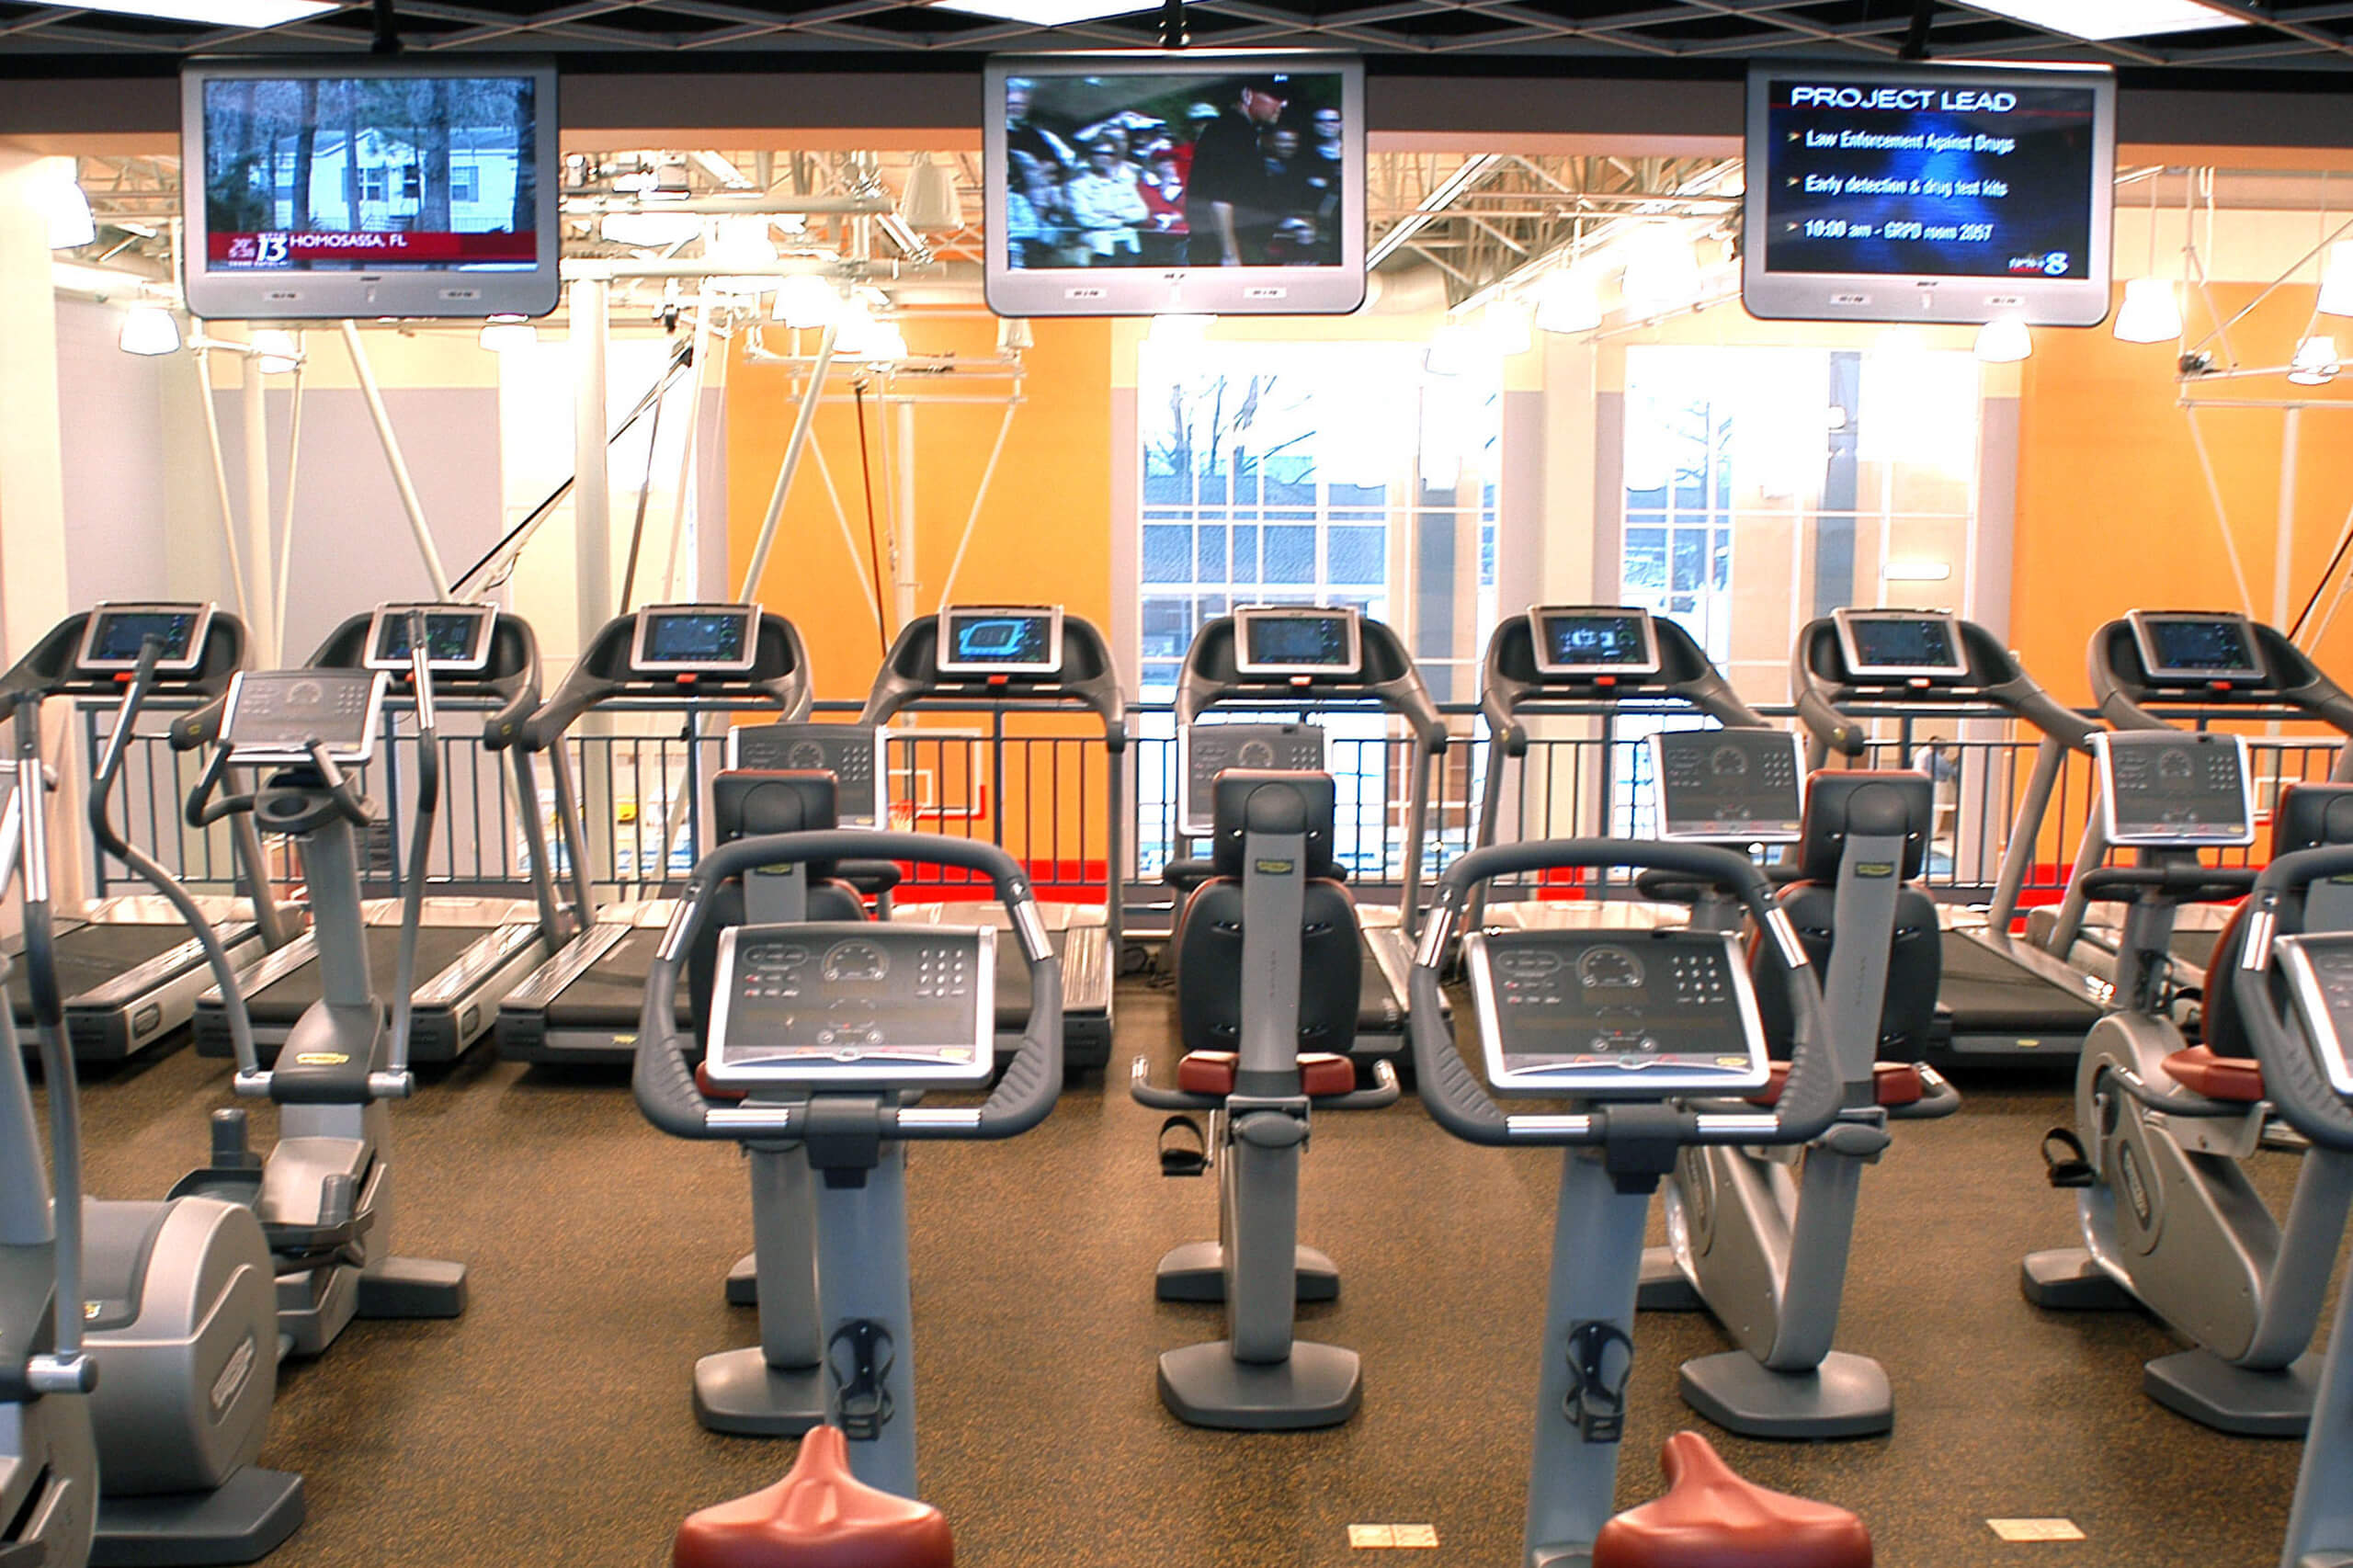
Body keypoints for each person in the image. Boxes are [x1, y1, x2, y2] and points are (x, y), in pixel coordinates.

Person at [1185, 76, 1289, 267]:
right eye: (1275, 97)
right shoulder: (1229, 132)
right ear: (1247, 95)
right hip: (1226, 249)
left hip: (1243, 244)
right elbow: (1220, 199)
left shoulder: (1244, 131)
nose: (1283, 104)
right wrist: (1230, 254)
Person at [1066, 137, 1148, 264]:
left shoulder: (1125, 183)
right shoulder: (1077, 186)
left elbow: (1142, 212)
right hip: (1097, 244)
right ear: (1089, 157)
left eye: (1109, 154)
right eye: (1098, 153)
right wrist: (1119, 222)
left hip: (1129, 242)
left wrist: (1116, 214)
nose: (1103, 158)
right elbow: (1084, 218)